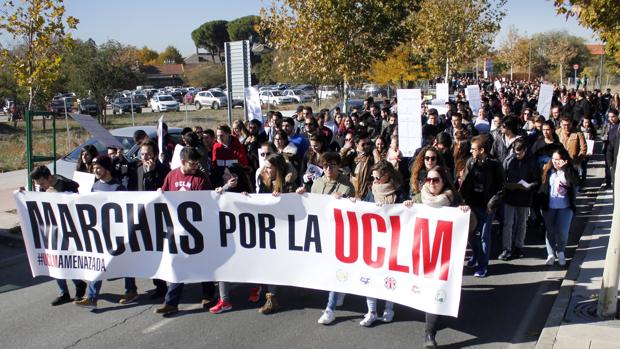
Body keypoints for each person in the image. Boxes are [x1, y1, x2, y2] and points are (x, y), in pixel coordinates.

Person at [404, 165, 472, 349]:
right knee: (427, 291)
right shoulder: (418, 199)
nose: (432, 183)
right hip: (422, 254)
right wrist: (407, 206)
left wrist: (466, 212)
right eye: (429, 180)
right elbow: (403, 219)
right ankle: (434, 322)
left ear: (443, 182)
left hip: (444, 258)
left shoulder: (454, 200)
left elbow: (472, 226)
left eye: (436, 180)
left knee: (436, 291)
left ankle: (429, 334)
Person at [155, 147, 215, 315]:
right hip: (177, 229)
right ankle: (171, 302)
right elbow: (164, 191)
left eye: (197, 163)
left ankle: (209, 295)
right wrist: (161, 192)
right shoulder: (172, 175)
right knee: (178, 265)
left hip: (197, 229)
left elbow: (207, 203)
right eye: (193, 163)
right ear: (183, 162)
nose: (196, 166)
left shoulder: (201, 178)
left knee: (203, 264)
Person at [299, 152, 354, 326]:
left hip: (338, 233)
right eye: (325, 166)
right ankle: (339, 291)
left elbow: (351, 208)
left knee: (334, 268)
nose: (328, 169)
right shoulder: (317, 183)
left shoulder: (346, 186)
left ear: (339, 166)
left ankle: (330, 309)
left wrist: (343, 201)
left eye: (332, 165)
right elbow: (311, 206)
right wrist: (301, 195)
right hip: (320, 232)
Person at [74, 155, 128, 309]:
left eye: (98, 167)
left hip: (116, 234)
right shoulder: (95, 185)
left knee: (125, 262)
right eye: (93, 167)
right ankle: (92, 297)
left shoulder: (118, 188)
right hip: (100, 233)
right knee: (98, 264)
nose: (95, 170)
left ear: (107, 168)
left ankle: (131, 289)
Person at [359, 160, 408, 327]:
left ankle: (389, 308)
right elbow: (362, 208)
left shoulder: (399, 193)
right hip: (373, 239)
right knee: (371, 275)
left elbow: (406, 214)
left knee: (389, 275)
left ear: (387, 175)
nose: (374, 181)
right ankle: (371, 311)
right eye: (373, 177)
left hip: (392, 240)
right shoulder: (371, 192)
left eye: (377, 177)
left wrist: (408, 205)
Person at [28, 165, 86, 306]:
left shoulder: (67, 185)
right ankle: (63, 293)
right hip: (51, 229)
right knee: (54, 260)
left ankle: (79, 284)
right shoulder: (43, 187)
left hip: (68, 230)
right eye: (38, 185)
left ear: (49, 177)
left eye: (42, 183)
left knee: (68, 259)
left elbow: (75, 204)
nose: (41, 186)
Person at [253, 153, 297, 314]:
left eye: (269, 167)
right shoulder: (263, 180)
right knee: (268, 263)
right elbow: (258, 200)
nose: (266, 169)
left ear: (277, 169)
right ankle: (271, 297)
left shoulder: (287, 184)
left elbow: (293, 206)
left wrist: (283, 198)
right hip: (267, 229)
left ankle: (272, 296)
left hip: (282, 230)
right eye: (265, 166)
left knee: (275, 264)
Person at [128, 139, 171, 299]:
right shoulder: (136, 168)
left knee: (158, 252)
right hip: (141, 216)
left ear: (155, 155)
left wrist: (151, 173)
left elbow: (159, 192)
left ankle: (163, 286)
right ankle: (156, 284)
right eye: (142, 154)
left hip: (159, 218)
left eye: (148, 154)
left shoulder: (163, 170)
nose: (145, 157)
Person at [459, 135, 504, 278]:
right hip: (472, 205)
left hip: (487, 206)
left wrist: (491, 204)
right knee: (471, 234)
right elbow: (465, 184)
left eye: (473, 149)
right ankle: (476, 255)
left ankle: (483, 265)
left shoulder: (495, 164)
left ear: (482, 150)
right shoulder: (470, 163)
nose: (471, 151)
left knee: (484, 236)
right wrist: (463, 201)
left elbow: (501, 188)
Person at [498, 139, 539, 260]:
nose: (518, 156)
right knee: (508, 224)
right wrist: (507, 185)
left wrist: (530, 186)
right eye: (516, 153)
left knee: (522, 223)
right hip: (510, 196)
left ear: (525, 150)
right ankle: (506, 248)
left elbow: (536, 179)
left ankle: (519, 246)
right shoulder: (509, 160)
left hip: (525, 197)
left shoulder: (531, 162)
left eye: (520, 153)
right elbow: (502, 177)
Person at [539, 148, 580, 266]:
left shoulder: (570, 170)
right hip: (549, 206)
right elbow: (542, 187)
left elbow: (577, 183)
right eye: (554, 159)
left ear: (564, 160)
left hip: (565, 207)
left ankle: (561, 251)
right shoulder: (547, 170)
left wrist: (566, 168)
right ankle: (550, 254)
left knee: (562, 231)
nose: (556, 162)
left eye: (558, 160)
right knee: (550, 230)